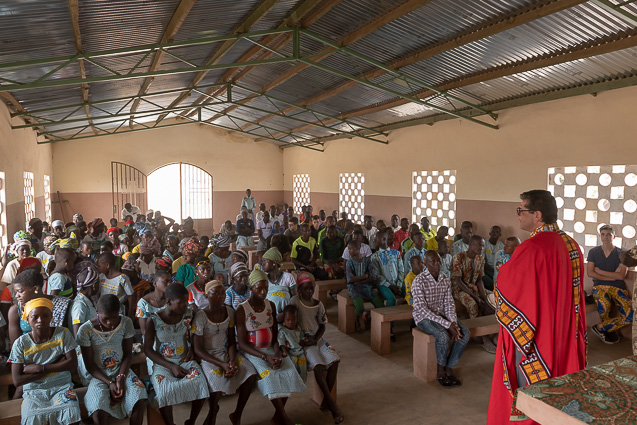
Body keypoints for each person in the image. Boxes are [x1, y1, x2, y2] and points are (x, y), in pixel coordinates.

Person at [488, 190, 587, 424]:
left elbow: (506, 289)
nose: (518, 215)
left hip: (538, 336)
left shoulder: (531, 248)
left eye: (521, 210)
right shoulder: (571, 245)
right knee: (560, 387)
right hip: (565, 332)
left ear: (537, 215)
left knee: (530, 394)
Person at [235, 270, 305, 425]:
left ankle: (278, 416)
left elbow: (274, 334)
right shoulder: (242, 309)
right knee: (269, 378)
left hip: (270, 350)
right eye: (259, 288)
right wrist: (265, 357)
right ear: (251, 288)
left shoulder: (270, 305)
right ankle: (283, 417)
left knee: (290, 371)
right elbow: (242, 343)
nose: (263, 292)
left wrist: (276, 354)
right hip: (252, 352)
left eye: (266, 288)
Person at [192, 280, 257, 425]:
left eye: (223, 293)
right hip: (208, 357)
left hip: (225, 353)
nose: (221, 296)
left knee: (250, 373)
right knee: (215, 384)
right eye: (216, 293)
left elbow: (232, 342)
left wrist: (232, 361)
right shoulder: (201, 317)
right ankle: (213, 411)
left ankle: (237, 413)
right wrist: (222, 364)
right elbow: (198, 350)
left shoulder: (229, 312)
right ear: (207, 296)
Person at [144, 283, 209, 425]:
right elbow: (148, 349)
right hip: (162, 362)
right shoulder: (153, 320)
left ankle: (191, 421)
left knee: (201, 384)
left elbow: (194, 333)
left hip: (184, 358)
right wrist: (170, 366)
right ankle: (170, 423)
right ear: (169, 302)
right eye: (181, 303)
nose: (186, 305)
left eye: (187, 301)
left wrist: (192, 349)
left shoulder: (189, 313)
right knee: (164, 391)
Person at [77, 294, 147, 425]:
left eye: (115, 317)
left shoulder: (125, 323)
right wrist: (110, 383)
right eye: (105, 319)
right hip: (98, 375)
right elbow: (90, 366)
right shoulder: (86, 330)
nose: (110, 323)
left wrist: (120, 377)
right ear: (97, 313)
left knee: (139, 396)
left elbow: (127, 355)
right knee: (97, 406)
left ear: (119, 312)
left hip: (121, 369)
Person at [9, 298, 81, 425]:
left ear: (51, 317)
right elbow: (17, 380)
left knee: (71, 412)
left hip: (61, 386)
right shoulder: (20, 344)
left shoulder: (63, 334)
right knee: (31, 418)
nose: (40, 320)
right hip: (34, 391)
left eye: (45, 316)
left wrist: (41, 368)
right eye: (35, 317)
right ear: (27, 319)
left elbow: (73, 363)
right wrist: (58, 363)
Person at [290, 272, 343, 424]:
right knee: (318, 366)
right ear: (299, 289)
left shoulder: (318, 304)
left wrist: (316, 338)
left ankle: (326, 400)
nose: (309, 292)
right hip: (303, 342)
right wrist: (302, 339)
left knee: (334, 360)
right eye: (306, 289)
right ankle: (332, 405)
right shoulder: (295, 301)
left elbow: (322, 325)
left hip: (317, 340)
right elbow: (290, 321)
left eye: (311, 288)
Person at [412, 251, 469, 387]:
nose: (437, 264)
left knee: (464, 333)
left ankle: (450, 367)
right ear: (425, 264)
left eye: (439, 261)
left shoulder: (444, 279)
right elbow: (423, 309)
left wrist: (453, 323)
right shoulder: (419, 281)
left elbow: (449, 303)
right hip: (423, 317)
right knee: (443, 335)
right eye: (433, 261)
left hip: (441, 314)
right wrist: (446, 324)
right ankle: (440, 369)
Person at [586, 224, 632, 344]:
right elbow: (590, 273)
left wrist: (599, 271)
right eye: (603, 234)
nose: (606, 237)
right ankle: (609, 332)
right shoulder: (593, 252)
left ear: (614, 236)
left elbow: (621, 276)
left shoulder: (623, 254)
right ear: (600, 236)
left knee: (631, 315)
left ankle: (600, 328)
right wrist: (612, 277)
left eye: (609, 234)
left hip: (618, 288)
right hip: (599, 287)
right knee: (604, 306)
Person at [450, 235, 494, 352]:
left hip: (474, 287)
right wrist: (476, 297)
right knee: (473, 304)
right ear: (471, 244)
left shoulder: (480, 259)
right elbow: (458, 281)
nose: (481, 248)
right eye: (479, 245)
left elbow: (479, 280)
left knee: (493, 299)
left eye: (483, 245)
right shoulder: (458, 258)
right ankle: (483, 336)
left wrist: (484, 296)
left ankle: (491, 330)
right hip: (459, 289)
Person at [8, 270, 72, 345]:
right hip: (28, 353)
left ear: (35, 289)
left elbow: (68, 336)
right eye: (16, 292)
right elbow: (15, 344)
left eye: (20, 291)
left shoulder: (61, 305)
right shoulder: (15, 310)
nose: (16, 296)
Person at [372, 229, 404, 341]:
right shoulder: (375, 257)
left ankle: (415, 323)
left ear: (384, 240)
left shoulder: (396, 253)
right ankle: (389, 328)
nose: (374, 240)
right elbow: (377, 275)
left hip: (397, 282)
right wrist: (390, 286)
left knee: (412, 293)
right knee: (391, 298)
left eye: (376, 238)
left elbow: (401, 270)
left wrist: (399, 284)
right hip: (384, 285)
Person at [345, 239, 383, 332]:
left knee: (380, 306)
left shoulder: (367, 261)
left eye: (351, 249)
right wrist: (364, 276)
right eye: (348, 249)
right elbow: (350, 279)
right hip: (354, 288)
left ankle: (368, 318)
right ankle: (357, 321)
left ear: (358, 249)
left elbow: (373, 277)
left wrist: (359, 281)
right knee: (360, 307)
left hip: (367, 287)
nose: (349, 251)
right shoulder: (349, 263)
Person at [97, 252, 135, 319]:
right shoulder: (101, 277)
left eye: (99, 266)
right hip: (102, 311)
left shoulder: (122, 278)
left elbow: (131, 296)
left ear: (107, 265)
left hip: (118, 312)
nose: (98, 268)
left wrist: (130, 314)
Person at [262, 247, 297, 315]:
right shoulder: (264, 279)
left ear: (274, 263)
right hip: (268, 315)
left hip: (286, 316)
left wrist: (284, 314)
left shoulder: (288, 277)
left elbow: (295, 299)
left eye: (265, 261)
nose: (262, 264)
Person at [277, 304, 307, 382]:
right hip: (290, 352)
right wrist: (284, 351)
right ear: (284, 319)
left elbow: (302, 336)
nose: (290, 322)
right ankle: (293, 379)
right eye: (288, 320)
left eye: (293, 319)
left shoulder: (298, 328)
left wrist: (303, 341)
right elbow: (281, 342)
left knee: (303, 363)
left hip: (299, 351)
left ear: (297, 319)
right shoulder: (282, 331)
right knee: (293, 362)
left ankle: (302, 380)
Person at [136, 270, 170, 336]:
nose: (169, 284)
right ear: (155, 284)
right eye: (166, 281)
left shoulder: (172, 299)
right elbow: (144, 331)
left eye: (170, 281)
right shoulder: (143, 303)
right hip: (152, 341)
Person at [483, 226, 504, 291]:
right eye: (493, 232)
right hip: (486, 269)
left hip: (497, 270)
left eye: (497, 232)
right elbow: (482, 261)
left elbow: (502, 261)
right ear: (489, 233)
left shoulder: (501, 246)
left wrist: (496, 270)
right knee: (487, 280)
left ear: (500, 234)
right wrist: (493, 270)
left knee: (500, 280)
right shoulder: (484, 243)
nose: (495, 233)